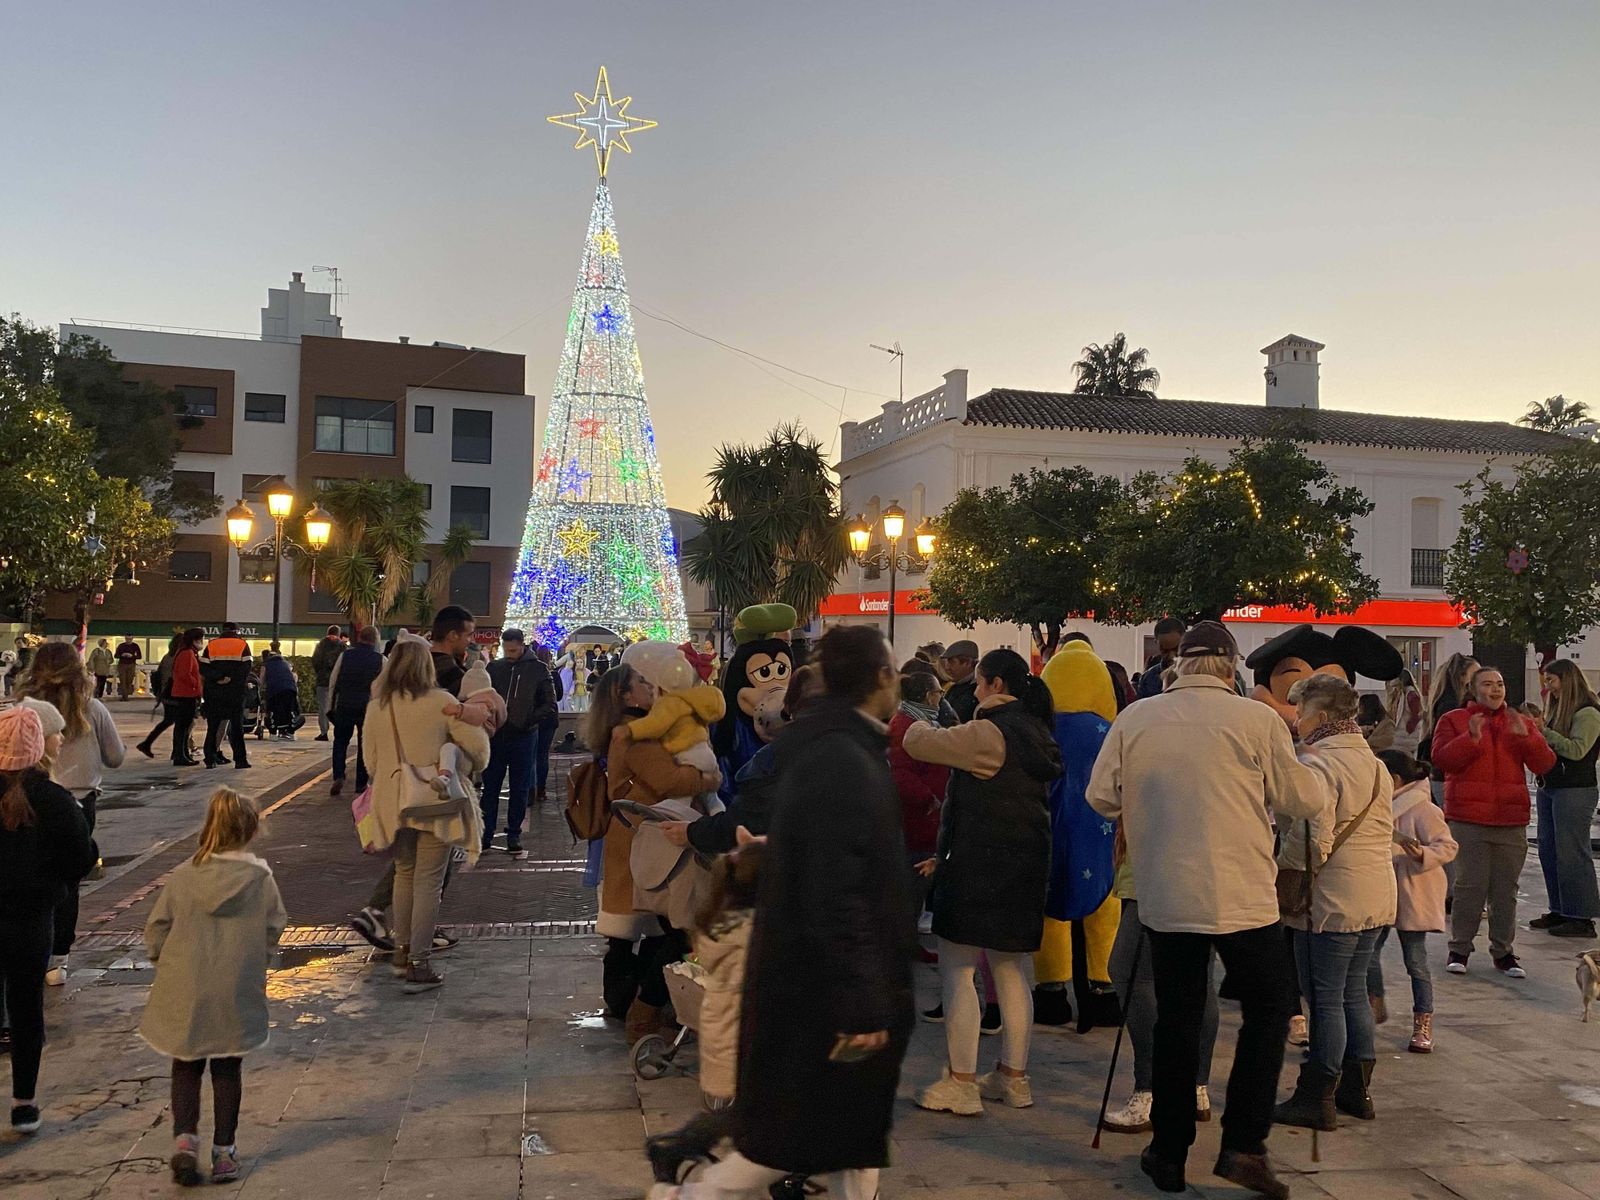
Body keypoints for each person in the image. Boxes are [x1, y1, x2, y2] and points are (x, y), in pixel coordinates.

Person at [673, 626, 914, 1200]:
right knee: (779, 1146)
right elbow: (838, 891)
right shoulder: (843, 759)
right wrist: (862, 1001)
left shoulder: (832, 749)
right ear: (881, 678)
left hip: (818, 982)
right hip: (823, 991)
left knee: (828, 1137)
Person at [1088, 620, 1320, 1199]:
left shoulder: (1136, 718)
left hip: (1167, 894)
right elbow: (1301, 798)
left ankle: (1168, 1154)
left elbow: (1100, 796)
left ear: (1179, 667)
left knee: (1176, 1019)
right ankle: (1243, 1144)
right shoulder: (1257, 719)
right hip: (1243, 896)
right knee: (1267, 1013)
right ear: (1230, 667)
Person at [902, 649, 1063, 1115]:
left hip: (978, 869)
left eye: (977, 682)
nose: (973, 690)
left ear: (995, 684)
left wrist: (916, 711)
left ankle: (962, 1082)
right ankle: (1013, 1078)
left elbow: (918, 741)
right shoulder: (1036, 731)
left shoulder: (988, 732)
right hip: (1024, 868)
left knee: (958, 971)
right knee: (1012, 971)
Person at [138, 788, 285, 1186]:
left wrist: (163, 961)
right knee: (227, 1066)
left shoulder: (185, 876)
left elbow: (157, 927)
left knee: (185, 1065)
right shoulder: (260, 879)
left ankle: (185, 1143)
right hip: (233, 987)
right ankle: (224, 1152)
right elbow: (274, 927)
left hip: (185, 984)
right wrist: (258, 960)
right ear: (251, 831)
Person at [1273, 675, 1396, 1131]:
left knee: (1324, 999)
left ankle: (1316, 1094)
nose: (1297, 722)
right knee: (1352, 994)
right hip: (1375, 893)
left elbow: (1311, 839)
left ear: (1321, 717)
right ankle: (1356, 1090)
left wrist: (1280, 869)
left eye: (1301, 713)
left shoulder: (1318, 762)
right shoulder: (1374, 762)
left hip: (1330, 898)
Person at [586, 664, 719, 1042]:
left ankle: (630, 1004)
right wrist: (709, 778)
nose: (650, 687)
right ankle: (642, 1009)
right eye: (641, 683)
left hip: (640, 836)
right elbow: (669, 779)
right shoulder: (638, 736)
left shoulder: (632, 730)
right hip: (648, 840)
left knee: (641, 930)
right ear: (626, 697)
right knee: (672, 925)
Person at [361, 639, 490, 993]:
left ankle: (402, 952)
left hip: (393, 802)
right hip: (435, 800)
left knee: (404, 874)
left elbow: (370, 762)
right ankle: (420, 962)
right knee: (429, 882)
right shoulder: (443, 703)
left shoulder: (378, 707)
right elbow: (479, 753)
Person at [0, 704, 96, 1135]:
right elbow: (80, 857)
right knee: (26, 1008)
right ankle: (24, 1103)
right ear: (39, 746)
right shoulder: (55, 800)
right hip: (31, 917)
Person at [645, 844, 764, 1188]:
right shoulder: (749, 933)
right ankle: (680, 1153)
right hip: (740, 1039)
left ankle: (680, 1149)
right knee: (752, 1123)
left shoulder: (722, 920)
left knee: (745, 1121)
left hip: (729, 1036)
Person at [1430, 667, 1554, 978]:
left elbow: (1544, 764)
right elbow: (1443, 760)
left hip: (1510, 819)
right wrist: (1471, 738)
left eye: (1500, 683)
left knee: (1505, 891)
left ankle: (1504, 952)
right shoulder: (1454, 720)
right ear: (1473, 689)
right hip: (1468, 818)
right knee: (1469, 887)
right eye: (1487, 684)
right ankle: (1459, 948)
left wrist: (1528, 739)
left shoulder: (1519, 722)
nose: (1496, 689)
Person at [16, 643, 125, 985]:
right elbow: (115, 756)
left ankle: (24, 949)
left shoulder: (22, 709)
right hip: (77, 804)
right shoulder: (91, 708)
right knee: (67, 881)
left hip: (25, 795)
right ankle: (56, 959)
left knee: (24, 873)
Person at [1101, 818, 1219, 1134]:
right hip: (1206, 866)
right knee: (1198, 978)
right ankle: (1195, 1088)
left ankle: (1151, 1089)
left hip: (1157, 868)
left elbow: (1103, 795)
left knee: (1127, 971)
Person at [1369, 750, 1456, 1054]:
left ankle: (1423, 1021)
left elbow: (1447, 846)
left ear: (1392, 779)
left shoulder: (1422, 809)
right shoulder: (1378, 804)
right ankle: (1372, 1003)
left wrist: (1420, 854)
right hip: (1380, 889)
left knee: (1416, 962)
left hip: (1412, 891)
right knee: (1366, 954)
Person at [1530, 659, 1600, 940]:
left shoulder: (1588, 712)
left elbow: (1577, 750)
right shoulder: (1559, 708)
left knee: (1572, 851)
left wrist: (1543, 732)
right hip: (1552, 785)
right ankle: (1559, 908)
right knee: (1549, 849)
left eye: (1552, 681)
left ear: (1567, 680)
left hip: (1575, 789)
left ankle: (1581, 916)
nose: (1548, 687)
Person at [480, 629, 558, 858]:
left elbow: (549, 703)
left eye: (513, 649)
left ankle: (514, 833)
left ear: (522, 646)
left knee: (519, 787)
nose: (510, 653)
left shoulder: (538, 669)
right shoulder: (495, 668)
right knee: (490, 787)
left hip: (523, 736)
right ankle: (486, 834)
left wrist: (528, 720)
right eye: (507, 649)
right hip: (497, 736)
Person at [326, 627, 383, 798]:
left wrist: (330, 707)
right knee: (363, 745)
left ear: (360, 638)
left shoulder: (345, 656)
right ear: (375, 640)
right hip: (367, 707)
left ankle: (338, 775)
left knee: (340, 741)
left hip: (345, 704)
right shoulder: (380, 660)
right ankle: (360, 784)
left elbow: (333, 681)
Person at [137, 628, 204, 766]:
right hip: (181, 694)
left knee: (175, 723)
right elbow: (184, 675)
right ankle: (179, 753)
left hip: (173, 693)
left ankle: (179, 752)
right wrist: (196, 686)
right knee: (182, 725)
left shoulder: (173, 655)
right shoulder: (186, 654)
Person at [1419, 653, 1479, 802]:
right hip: (1444, 777)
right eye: (1476, 674)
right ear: (1462, 677)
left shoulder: (1446, 700)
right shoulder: (1451, 705)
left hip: (1440, 775)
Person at [200, 622, 252, 770]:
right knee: (236, 727)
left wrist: (219, 677)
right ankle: (240, 760)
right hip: (235, 692)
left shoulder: (211, 645)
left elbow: (203, 667)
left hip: (214, 692)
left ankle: (210, 758)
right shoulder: (242, 645)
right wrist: (230, 678)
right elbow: (246, 668)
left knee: (213, 727)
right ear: (237, 631)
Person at [534, 644, 564, 802]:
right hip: (550, 719)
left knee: (532, 754)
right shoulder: (554, 675)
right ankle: (541, 789)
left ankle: (531, 786)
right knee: (543, 754)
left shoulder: (532, 674)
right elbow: (559, 696)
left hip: (534, 719)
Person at [429, 605, 476, 699]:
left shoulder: (413, 666)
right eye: (469, 635)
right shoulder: (455, 676)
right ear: (453, 635)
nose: (472, 640)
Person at [1135, 617, 1187, 700]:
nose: (1171, 656)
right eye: (1165, 651)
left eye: (1176, 649)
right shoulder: (1148, 678)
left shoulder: (1195, 673)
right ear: (1156, 642)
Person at [310, 625, 345, 742]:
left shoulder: (321, 644)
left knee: (323, 707)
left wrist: (320, 672)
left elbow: (315, 660)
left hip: (322, 680)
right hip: (338, 682)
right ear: (339, 633)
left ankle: (324, 732)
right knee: (337, 706)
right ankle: (339, 730)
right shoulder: (342, 646)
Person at [939, 640, 981, 724]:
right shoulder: (955, 687)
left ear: (967, 663)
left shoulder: (977, 690)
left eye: (952, 662)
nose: (947, 667)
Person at [261, 650, 299, 740]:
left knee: (273, 711)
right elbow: (292, 676)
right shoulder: (285, 663)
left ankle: (273, 734)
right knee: (289, 710)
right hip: (290, 689)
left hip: (274, 690)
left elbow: (261, 679)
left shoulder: (266, 664)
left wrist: (261, 688)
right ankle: (291, 733)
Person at [1385, 669, 1424, 755]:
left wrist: (1409, 728)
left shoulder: (1410, 695)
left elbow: (1417, 714)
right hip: (1404, 735)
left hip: (1407, 735)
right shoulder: (1404, 694)